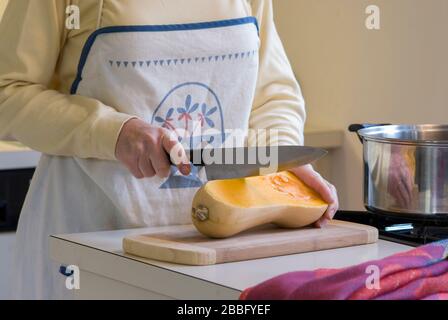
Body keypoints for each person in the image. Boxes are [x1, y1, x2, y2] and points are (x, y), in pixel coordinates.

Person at [0, 0, 338, 299]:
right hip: (89, 246)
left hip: (217, 253)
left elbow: (271, 93)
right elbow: (7, 93)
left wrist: (278, 160)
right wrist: (114, 132)